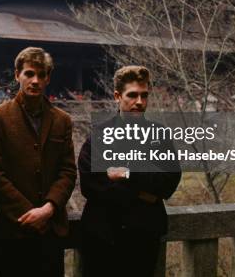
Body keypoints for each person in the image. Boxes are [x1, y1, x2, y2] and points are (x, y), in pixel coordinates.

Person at [78, 65, 182, 277]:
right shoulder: (100, 135)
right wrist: (142, 193)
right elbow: (90, 185)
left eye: (144, 96)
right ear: (118, 96)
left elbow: (169, 181)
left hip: (142, 238)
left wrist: (127, 173)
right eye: (132, 95)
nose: (139, 102)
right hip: (103, 236)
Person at [0, 47, 76, 277]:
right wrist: (28, 213)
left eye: (41, 75)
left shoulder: (62, 120)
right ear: (17, 75)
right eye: (29, 74)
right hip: (13, 229)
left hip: (51, 230)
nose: (35, 81)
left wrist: (48, 208)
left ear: (48, 78)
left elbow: (67, 171)